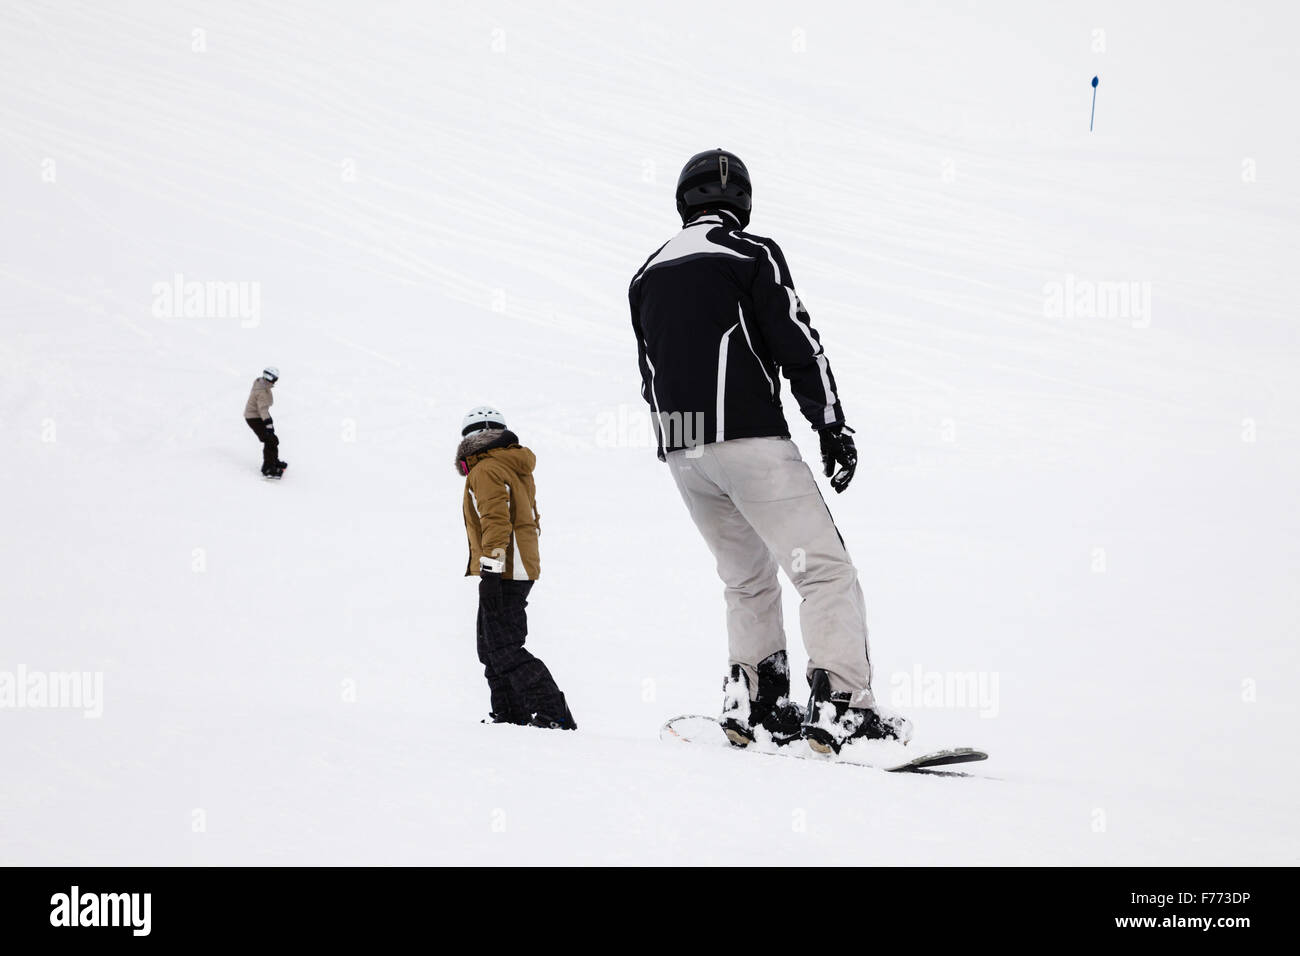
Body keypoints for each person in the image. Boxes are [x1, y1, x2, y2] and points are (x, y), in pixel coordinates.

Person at [627, 149, 911, 754]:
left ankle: (757, 703)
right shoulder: (750, 254)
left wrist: (675, 442)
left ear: (685, 200)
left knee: (746, 580)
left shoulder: (646, 273)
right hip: (750, 440)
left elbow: (648, 372)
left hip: (684, 451)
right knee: (824, 572)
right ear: (742, 202)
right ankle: (846, 709)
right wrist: (830, 425)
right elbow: (796, 341)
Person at [455, 406, 576, 730]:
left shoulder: (486, 469)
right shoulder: (508, 464)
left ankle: (555, 714)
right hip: (514, 566)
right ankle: (511, 714)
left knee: (504, 648)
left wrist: (491, 571)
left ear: (469, 440)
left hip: (506, 569)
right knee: (490, 647)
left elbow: (497, 520)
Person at [244, 366, 287, 478]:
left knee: (273, 439)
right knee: (269, 440)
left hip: (257, 416)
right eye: (275, 379)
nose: (275, 381)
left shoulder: (261, 383)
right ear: (271, 378)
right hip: (254, 418)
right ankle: (268, 469)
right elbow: (262, 409)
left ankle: (274, 461)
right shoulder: (262, 391)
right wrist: (268, 424)